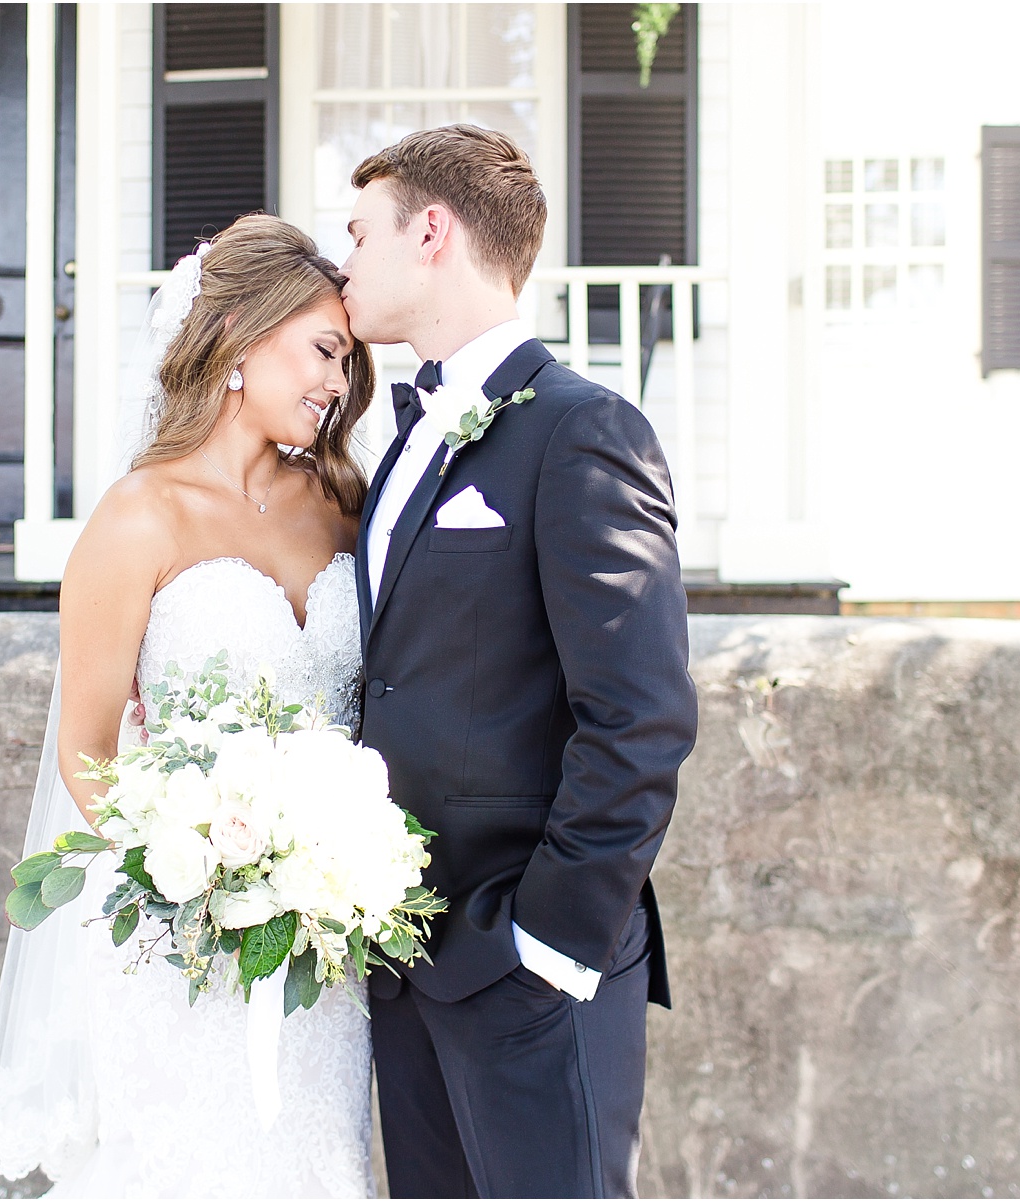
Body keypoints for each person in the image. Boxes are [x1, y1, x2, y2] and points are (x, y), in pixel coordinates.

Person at [0, 214, 380, 1197]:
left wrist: (322, 870)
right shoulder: (136, 518)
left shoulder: (342, 505)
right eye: (325, 350)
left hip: (326, 942)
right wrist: (196, 874)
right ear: (242, 335)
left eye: (347, 361)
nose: (337, 382)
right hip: (183, 946)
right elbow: (87, 750)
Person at [341, 124, 699, 1198]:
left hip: (523, 966)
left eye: (361, 235)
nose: (343, 261)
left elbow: (639, 720)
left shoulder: (587, 431)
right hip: (403, 961)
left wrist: (543, 943)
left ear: (433, 232)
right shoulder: (403, 441)